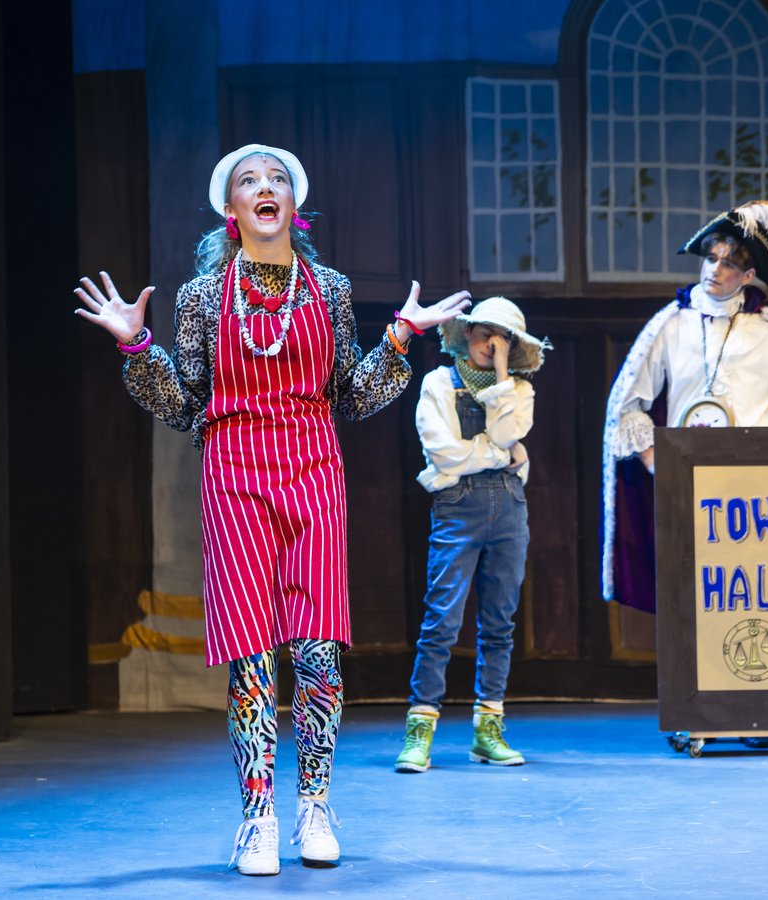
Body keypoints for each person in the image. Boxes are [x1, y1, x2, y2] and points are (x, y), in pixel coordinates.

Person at [74, 144, 471, 875]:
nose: (265, 187)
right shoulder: (202, 297)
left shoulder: (330, 289)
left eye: (277, 179)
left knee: (318, 653)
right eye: (249, 181)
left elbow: (354, 395)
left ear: (294, 205)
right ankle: (258, 816)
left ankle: (314, 806)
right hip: (233, 476)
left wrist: (401, 336)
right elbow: (184, 404)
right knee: (252, 658)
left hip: (313, 472)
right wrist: (137, 346)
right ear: (231, 209)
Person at [602, 201, 768, 615]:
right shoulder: (672, 325)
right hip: (687, 478)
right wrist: (653, 458)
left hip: (754, 485)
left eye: (728, 263)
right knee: (690, 592)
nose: (714, 269)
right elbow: (627, 403)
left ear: (748, 276)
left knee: (748, 588)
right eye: (711, 258)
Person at [393, 297, 550, 773]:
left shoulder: (518, 390)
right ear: (467, 333)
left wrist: (502, 375)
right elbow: (444, 454)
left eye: (501, 340)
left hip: (509, 506)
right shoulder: (439, 383)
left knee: (499, 621)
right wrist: (501, 456)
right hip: (457, 506)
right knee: (442, 619)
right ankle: (420, 730)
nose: (490, 344)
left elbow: (504, 433)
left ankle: (488, 731)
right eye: (484, 334)